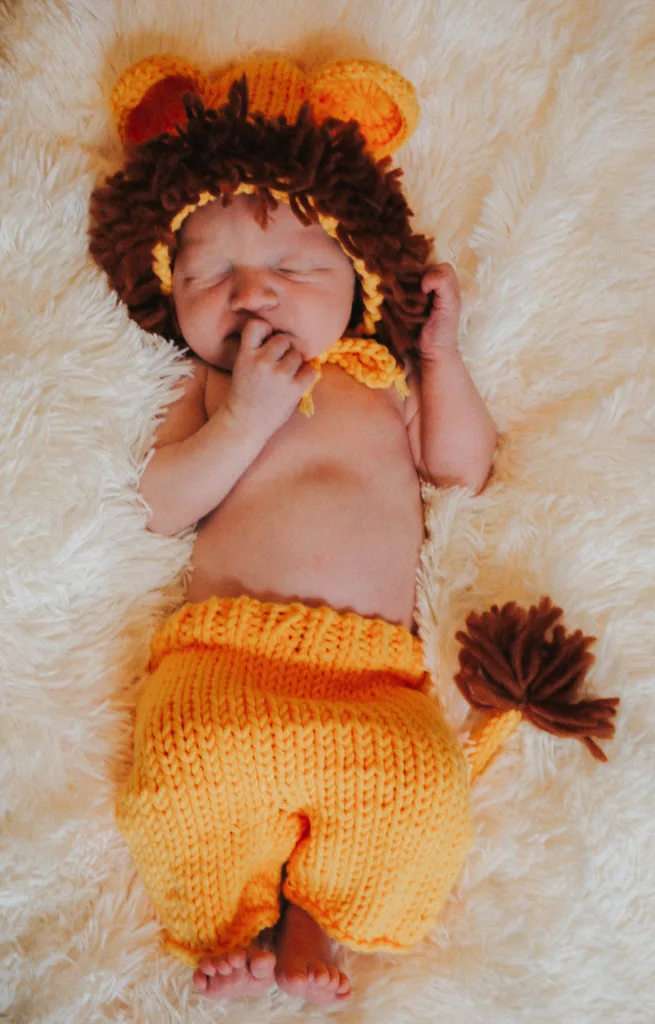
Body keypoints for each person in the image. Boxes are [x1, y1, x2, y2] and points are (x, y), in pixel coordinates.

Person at [89, 56, 497, 1006]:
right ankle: (236, 919)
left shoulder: (379, 376)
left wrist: (440, 359)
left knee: (420, 790)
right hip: (223, 660)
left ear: (353, 277)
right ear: (168, 291)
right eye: (208, 277)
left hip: (373, 675)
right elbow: (159, 505)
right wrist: (241, 422)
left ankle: (314, 912)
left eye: (292, 268)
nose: (251, 292)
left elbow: (461, 467)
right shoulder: (208, 392)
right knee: (184, 776)